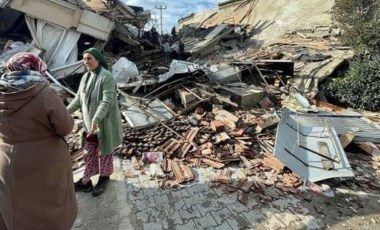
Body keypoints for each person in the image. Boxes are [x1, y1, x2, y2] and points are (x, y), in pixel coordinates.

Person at [0, 52, 77, 230]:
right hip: (44, 164)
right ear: (35, 67)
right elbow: (66, 127)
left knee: (16, 209)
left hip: (7, 161)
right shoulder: (43, 93)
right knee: (49, 212)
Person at [67, 47, 123, 197]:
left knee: (105, 152)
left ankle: (104, 178)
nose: (86, 61)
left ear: (98, 59)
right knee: (89, 153)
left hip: (103, 124)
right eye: (84, 59)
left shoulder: (107, 77)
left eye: (89, 58)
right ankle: (86, 181)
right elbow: (78, 99)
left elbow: (107, 101)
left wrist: (96, 119)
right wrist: (65, 112)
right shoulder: (86, 77)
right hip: (89, 125)